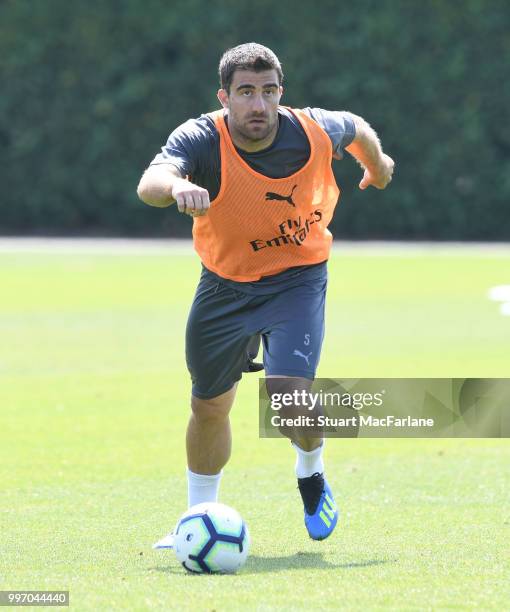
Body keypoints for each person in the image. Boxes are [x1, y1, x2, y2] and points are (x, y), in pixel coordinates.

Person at [137, 42, 394, 546]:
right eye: (246, 92)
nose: (259, 105)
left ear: (282, 94)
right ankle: (197, 519)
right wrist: (174, 187)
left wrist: (378, 163)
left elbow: (357, 128)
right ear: (224, 97)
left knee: (288, 398)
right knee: (209, 406)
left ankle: (311, 472)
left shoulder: (314, 128)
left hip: (297, 277)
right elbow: (151, 180)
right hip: (224, 285)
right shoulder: (200, 137)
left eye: (269, 91)